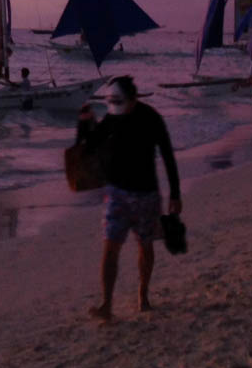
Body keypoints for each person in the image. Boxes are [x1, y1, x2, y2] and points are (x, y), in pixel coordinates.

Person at [75, 76, 181, 321]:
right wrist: (85, 124)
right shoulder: (112, 117)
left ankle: (143, 296)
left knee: (145, 246)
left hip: (146, 195)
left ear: (133, 99)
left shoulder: (151, 118)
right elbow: (89, 147)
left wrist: (175, 193)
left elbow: (167, 154)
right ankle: (107, 304)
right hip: (116, 194)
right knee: (110, 248)